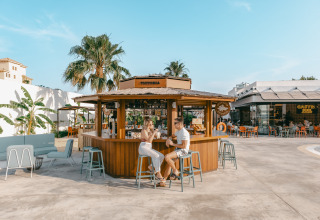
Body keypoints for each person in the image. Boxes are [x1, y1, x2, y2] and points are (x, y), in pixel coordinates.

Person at [160, 117, 190, 187]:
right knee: (169, 163)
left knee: (167, 157)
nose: (174, 125)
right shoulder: (179, 131)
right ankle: (163, 181)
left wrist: (172, 144)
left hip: (183, 151)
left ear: (179, 124)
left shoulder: (184, 133)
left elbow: (184, 146)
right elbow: (172, 136)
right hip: (178, 150)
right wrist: (168, 139)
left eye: (175, 123)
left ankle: (175, 170)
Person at [139, 119, 165, 183]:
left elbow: (156, 136)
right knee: (156, 155)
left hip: (148, 148)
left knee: (161, 156)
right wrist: (154, 133)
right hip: (143, 147)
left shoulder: (150, 131)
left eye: (152, 124)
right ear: (147, 125)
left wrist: (158, 134)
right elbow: (149, 140)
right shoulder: (144, 131)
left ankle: (151, 166)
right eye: (150, 124)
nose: (152, 125)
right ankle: (158, 174)